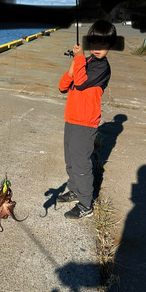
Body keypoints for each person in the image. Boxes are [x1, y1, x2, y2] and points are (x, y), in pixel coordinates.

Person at [57, 20, 117, 219]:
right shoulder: (86, 62)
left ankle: (85, 205)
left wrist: (80, 58)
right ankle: (74, 189)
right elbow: (63, 86)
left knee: (82, 164)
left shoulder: (102, 68)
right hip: (71, 118)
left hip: (85, 123)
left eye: (104, 44)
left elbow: (81, 83)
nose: (98, 49)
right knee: (70, 161)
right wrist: (73, 65)